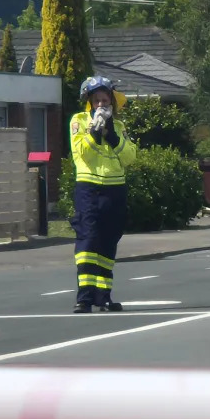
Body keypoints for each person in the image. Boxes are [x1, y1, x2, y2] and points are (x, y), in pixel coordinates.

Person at [68, 76, 137, 313]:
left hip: (114, 188)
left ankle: (104, 297)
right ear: (89, 102)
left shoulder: (118, 127)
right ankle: (84, 297)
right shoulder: (78, 121)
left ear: (111, 103)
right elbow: (81, 154)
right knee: (88, 240)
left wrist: (111, 136)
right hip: (88, 188)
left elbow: (130, 157)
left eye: (104, 101)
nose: (100, 105)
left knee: (108, 242)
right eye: (96, 101)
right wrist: (94, 133)